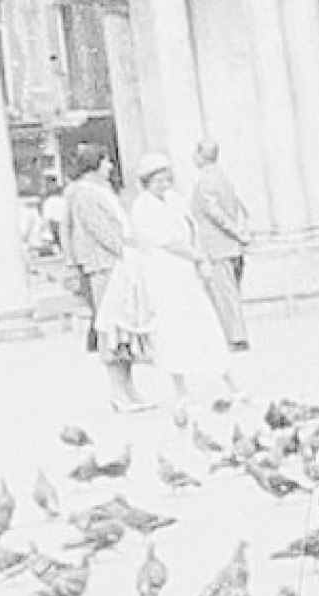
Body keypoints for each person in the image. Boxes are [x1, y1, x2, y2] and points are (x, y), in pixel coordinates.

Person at [103, 153, 238, 413]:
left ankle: (231, 383)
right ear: (146, 182)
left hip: (185, 270)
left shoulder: (175, 200)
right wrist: (198, 257)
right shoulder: (143, 207)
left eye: (167, 180)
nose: (164, 185)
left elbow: (191, 229)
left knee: (204, 323)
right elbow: (166, 241)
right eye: (158, 181)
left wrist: (198, 257)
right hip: (163, 272)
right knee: (172, 330)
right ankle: (181, 391)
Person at [60, 144, 139, 405]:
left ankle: (129, 387)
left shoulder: (103, 191)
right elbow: (100, 229)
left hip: (119, 263)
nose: (110, 166)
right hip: (104, 264)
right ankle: (117, 390)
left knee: (124, 327)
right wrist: (126, 249)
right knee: (110, 325)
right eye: (105, 162)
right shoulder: (84, 194)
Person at [188, 138, 255, 355]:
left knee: (225, 294)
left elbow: (214, 213)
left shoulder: (205, 181)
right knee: (230, 292)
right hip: (232, 247)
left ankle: (235, 337)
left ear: (200, 156)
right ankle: (234, 335)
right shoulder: (224, 177)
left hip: (218, 247)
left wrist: (237, 232)